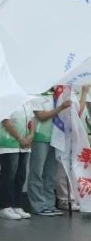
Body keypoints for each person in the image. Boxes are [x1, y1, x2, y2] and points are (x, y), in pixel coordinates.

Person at [26, 89, 70, 217]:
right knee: (37, 172)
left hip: (55, 138)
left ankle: (49, 204)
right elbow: (41, 116)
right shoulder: (36, 95)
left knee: (50, 173)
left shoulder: (57, 95)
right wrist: (60, 108)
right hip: (40, 137)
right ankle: (38, 205)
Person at [0, 104, 34, 220]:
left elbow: (32, 120)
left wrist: (31, 135)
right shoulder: (6, 100)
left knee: (20, 175)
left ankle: (17, 205)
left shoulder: (27, 101)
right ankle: (5, 207)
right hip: (8, 142)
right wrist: (20, 138)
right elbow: (5, 121)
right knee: (8, 174)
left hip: (25, 144)